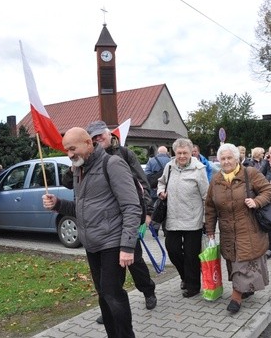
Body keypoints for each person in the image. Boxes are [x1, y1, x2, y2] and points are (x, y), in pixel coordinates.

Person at [42, 127, 141, 337]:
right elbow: (81, 209)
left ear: (88, 143)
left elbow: (131, 206)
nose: (69, 155)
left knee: (113, 295)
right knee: (103, 295)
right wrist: (57, 204)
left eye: (72, 149)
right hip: (92, 243)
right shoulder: (79, 169)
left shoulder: (112, 164)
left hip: (113, 242)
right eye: (66, 150)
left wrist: (127, 246)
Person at [85, 120, 158, 323]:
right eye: (93, 138)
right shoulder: (88, 160)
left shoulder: (124, 154)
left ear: (109, 135)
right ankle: (110, 307)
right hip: (105, 225)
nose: (98, 139)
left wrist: (148, 212)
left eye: (101, 135)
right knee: (108, 273)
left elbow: (142, 182)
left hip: (128, 219)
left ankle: (148, 291)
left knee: (134, 262)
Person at [205, 143, 271, 313]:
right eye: (223, 158)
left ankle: (236, 298)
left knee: (242, 262)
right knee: (233, 261)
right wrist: (211, 231)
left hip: (249, 228)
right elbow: (210, 207)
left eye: (230, 158)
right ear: (219, 160)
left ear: (237, 158)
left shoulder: (250, 173)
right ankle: (246, 289)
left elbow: (268, 191)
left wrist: (256, 202)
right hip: (227, 231)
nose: (226, 161)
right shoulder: (216, 180)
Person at [158, 138, 209, 298]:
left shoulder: (199, 169)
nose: (181, 156)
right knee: (172, 250)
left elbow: (206, 196)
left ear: (190, 152)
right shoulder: (170, 166)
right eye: (178, 153)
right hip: (173, 217)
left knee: (191, 255)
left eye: (185, 153)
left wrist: (207, 219)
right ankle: (185, 276)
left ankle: (193, 286)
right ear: (174, 153)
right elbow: (161, 182)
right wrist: (161, 192)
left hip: (193, 219)